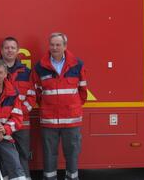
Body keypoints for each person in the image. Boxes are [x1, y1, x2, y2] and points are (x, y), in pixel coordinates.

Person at [32, 32, 87, 180]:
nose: (55, 47)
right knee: (49, 154)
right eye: (52, 45)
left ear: (65, 46)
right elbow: (37, 91)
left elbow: (83, 90)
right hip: (49, 120)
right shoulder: (40, 67)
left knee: (72, 153)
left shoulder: (77, 64)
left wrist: (73, 105)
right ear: (48, 46)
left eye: (58, 44)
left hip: (71, 119)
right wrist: (46, 106)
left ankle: (72, 178)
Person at [0, 37, 36, 179]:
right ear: (1, 50)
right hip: (0, 124)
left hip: (22, 123)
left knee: (23, 154)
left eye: (13, 48)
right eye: (6, 47)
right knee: (2, 154)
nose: (9, 50)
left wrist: (17, 113)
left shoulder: (26, 72)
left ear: (17, 51)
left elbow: (32, 96)